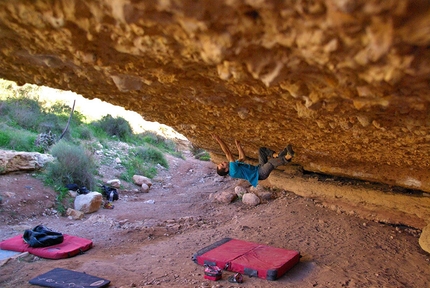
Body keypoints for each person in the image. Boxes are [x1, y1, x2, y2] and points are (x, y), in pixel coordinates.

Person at [212, 134, 295, 187]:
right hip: (260, 174)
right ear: (226, 170)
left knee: (261, 150)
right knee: (270, 163)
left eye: (221, 163)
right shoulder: (233, 171)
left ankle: (276, 155)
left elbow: (242, 158)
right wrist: (218, 140)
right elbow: (228, 153)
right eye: (222, 165)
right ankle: (288, 157)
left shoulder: (232, 167)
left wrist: (238, 146)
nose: (223, 162)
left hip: (259, 168)